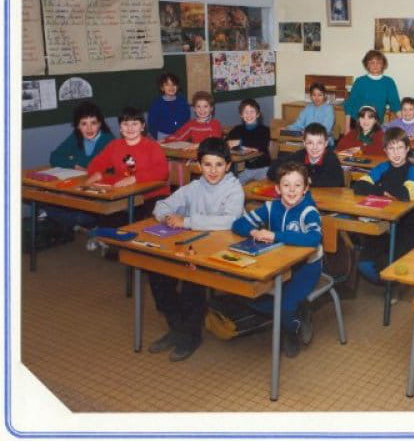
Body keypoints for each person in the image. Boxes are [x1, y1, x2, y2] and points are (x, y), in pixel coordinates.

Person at [147, 138, 245, 362]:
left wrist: (187, 221)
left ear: (228, 166)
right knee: (157, 272)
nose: (213, 170)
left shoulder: (234, 189)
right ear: (199, 165)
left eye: (219, 165)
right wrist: (167, 217)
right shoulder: (194, 187)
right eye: (207, 164)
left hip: (221, 250)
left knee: (192, 278)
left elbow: (230, 221)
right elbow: (161, 206)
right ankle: (177, 327)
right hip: (194, 245)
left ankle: (191, 336)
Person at [232, 162, 323, 357]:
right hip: (277, 265)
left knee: (283, 306)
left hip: (306, 268)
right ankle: (294, 312)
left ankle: (293, 327)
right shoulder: (271, 206)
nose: (292, 190)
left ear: (305, 188)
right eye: (286, 185)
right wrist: (253, 231)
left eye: (297, 185)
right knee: (247, 295)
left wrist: (275, 236)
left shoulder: (308, 211)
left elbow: (314, 239)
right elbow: (238, 224)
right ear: (278, 189)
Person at [84, 106, 170, 251]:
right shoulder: (115, 146)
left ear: (142, 126)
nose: (130, 128)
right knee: (109, 216)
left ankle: (122, 248)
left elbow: (162, 172)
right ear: (120, 127)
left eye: (135, 123)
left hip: (152, 195)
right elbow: (97, 163)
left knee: (140, 223)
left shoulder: (152, 146)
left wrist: (135, 178)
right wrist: (97, 173)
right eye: (125, 124)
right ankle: (111, 244)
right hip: (126, 195)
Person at [352, 127, 414, 282]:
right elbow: (359, 186)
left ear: (407, 149)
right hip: (383, 223)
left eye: (400, 148)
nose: (396, 153)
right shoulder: (383, 167)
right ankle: (387, 284)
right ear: (385, 150)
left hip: (407, 226)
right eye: (391, 148)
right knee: (364, 264)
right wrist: (384, 191)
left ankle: (393, 287)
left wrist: (379, 188)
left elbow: (404, 193)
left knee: (386, 265)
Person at [46, 101, 116, 238]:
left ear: (100, 124)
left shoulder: (108, 140)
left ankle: (84, 224)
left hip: (98, 193)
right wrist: (75, 165)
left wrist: (81, 164)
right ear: (77, 126)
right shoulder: (76, 136)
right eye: (84, 124)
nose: (89, 128)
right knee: (50, 204)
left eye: (93, 123)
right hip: (77, 186)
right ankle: (81, 225)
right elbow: (54, 157)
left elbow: (100, 167)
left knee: (72, 213)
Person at [268, 123, 344, 187]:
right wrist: (290, 177)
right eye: (310, 143)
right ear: (304, 143)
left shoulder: (331, 159)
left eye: (319, 143)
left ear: (326, 143)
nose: (315, 147)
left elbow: (338, 181)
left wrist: (309, 180)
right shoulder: (299, 156)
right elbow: (272, 171)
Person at [344, 50, 400, 131]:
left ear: (383, 65)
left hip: (376, 124)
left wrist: (406, 124)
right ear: (367, 65)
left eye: (378, 62)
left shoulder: (388, 82)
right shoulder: (360, 81)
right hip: (357, 123)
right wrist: (347, 128)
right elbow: (350, 104)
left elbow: (396, 105)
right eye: (372, 62)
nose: (375, 65)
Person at [226, 98, 271, 184]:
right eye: (246, 112)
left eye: (252, 112)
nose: (249, 115)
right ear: (241, 115)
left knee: (265, 186)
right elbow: (227, 141)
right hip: (247, 169)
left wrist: (240, 143)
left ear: (258, 114)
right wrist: (229, 143)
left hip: (263, 167)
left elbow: (261, 145)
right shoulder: (237, 129)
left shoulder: (264, 130)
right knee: (233, 184)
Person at [147, 72, 191, 140]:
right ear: (162, 88)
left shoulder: (182, 101)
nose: (171, 87)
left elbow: (187, 120)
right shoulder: (156, 104)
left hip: (181, 135)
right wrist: (157, 137)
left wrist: (184, 134)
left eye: (174, 84)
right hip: (163, 136)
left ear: (177, 87)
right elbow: (152, 124)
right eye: (167, 85)